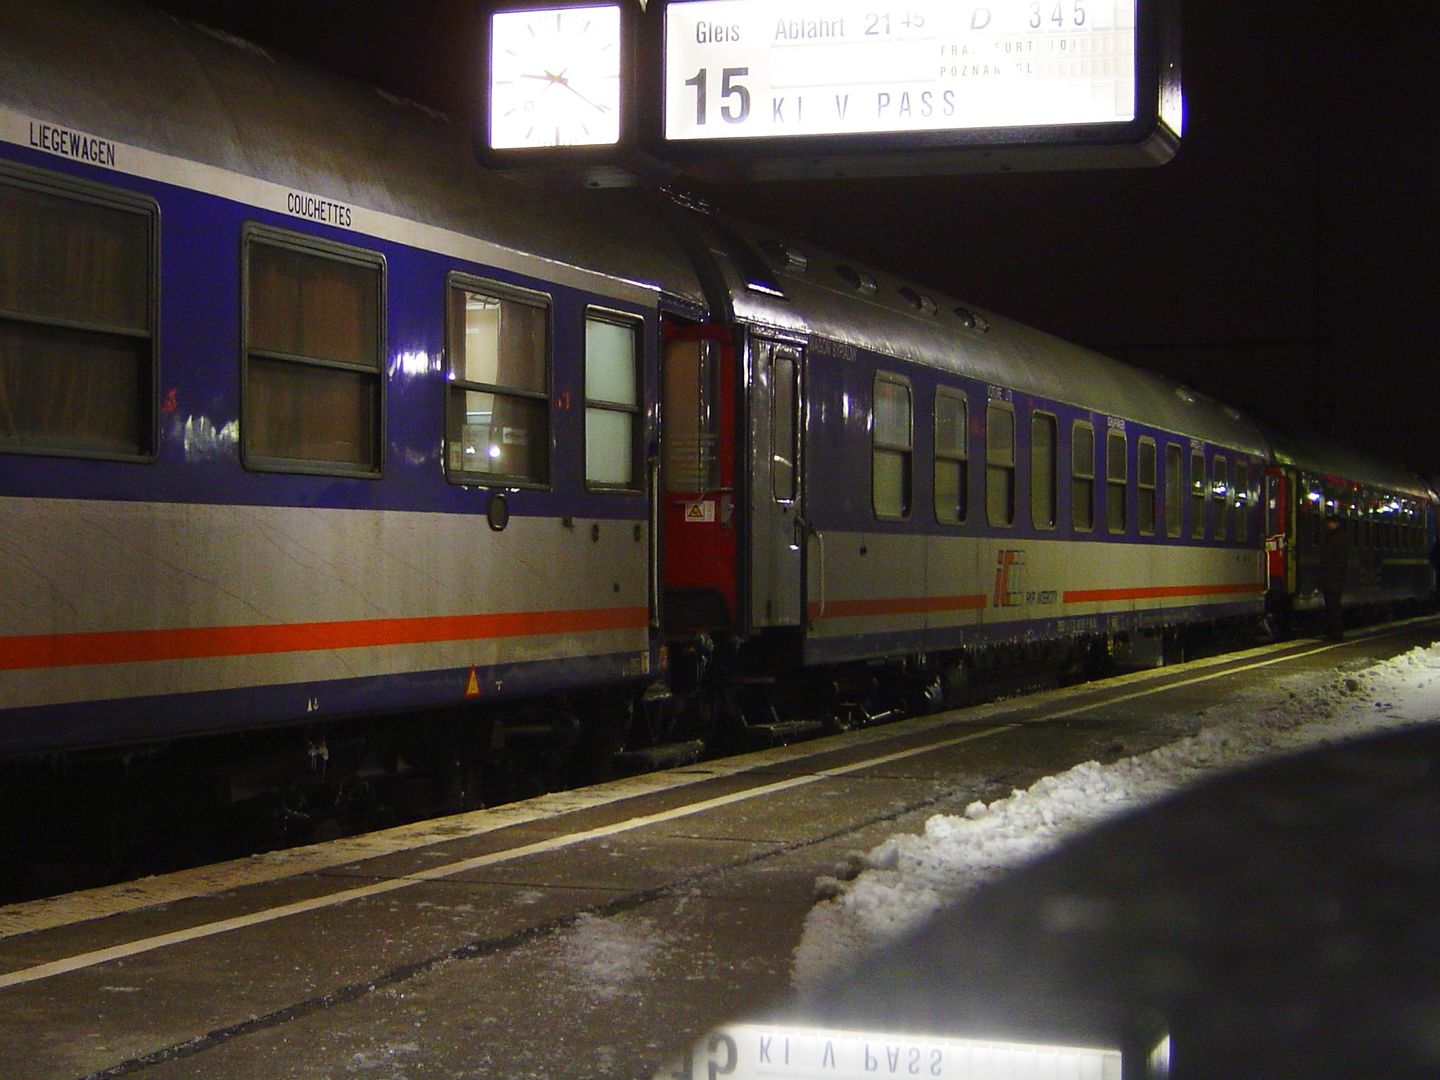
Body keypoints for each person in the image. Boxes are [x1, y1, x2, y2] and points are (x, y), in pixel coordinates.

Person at [1319, 513, 1350, 641]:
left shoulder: (1337, 538)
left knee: (1333, 607)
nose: (1328, 525)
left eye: (1331, 522)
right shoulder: (1337, 537)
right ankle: (1333, 633)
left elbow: (1338, 560)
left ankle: (1335, 634)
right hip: (1332, 578)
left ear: (1336, 523)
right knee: (1332, 606)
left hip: (1333, 579)